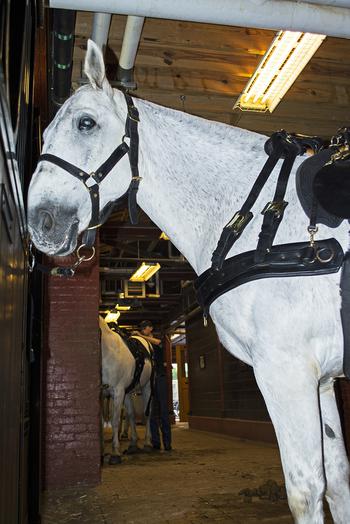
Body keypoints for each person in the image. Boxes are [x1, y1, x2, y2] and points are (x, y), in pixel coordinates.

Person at [135, 320, 172, 451]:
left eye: (145, 328)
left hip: (160, 378)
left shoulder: (158, 338)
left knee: (163, 411)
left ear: (150, 328)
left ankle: (167, 443)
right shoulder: (143, 344)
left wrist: (141, 336)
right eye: (142, 329)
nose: (143, 331)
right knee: (151, 411)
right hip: (150, 379)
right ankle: (156, 442)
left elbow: (158, 343)